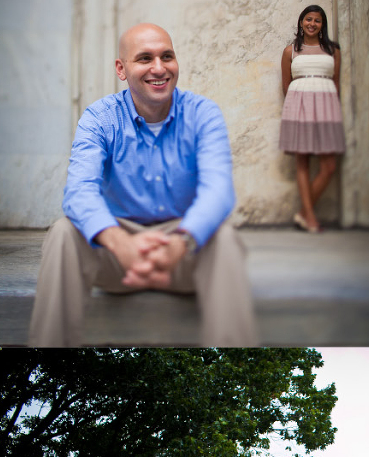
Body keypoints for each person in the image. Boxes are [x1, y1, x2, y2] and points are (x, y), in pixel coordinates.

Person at [28, 23, 258, 346]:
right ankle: (50, 347)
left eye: (167, 56)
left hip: (183, 252)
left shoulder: (203, 114)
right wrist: (121, 244)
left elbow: (218, 192)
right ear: (121, 69)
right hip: (116, 256)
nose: (159, 68)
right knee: (63, 234)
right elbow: (79, 191)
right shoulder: (100, 118)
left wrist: (180, 242)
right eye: (145, 58)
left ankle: (235, 364)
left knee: (225, 238)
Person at [279, 5, 345, 233]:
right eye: (308, 19)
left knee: (329, 165)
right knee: (302, 161)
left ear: (322, 25)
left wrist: (331, 105)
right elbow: (286, 85)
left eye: (317, 20)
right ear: (301, 22)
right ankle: (311, 218)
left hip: (327, 107)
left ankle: (303, 213)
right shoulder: (291, 51)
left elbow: (336, 81)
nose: (312, 24)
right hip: (299, 106)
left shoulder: (333, 50)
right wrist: (299, 104)